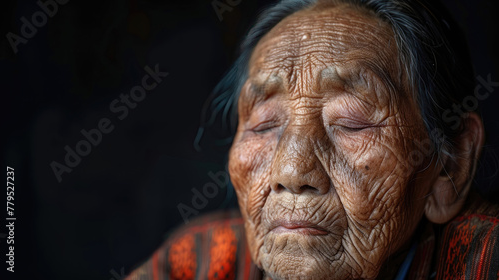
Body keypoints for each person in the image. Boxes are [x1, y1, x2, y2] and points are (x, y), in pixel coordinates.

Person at [126, 0, 499, 279]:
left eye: (352, 122)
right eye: (264, 123)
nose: (291, 170)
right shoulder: (198, 263)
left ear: (451, 165)